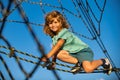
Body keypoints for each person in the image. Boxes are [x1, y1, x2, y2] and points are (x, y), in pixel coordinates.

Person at [41, 10, 112, 74]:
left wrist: (47, 56)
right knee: (58, 54)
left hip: (83, 51)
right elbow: (55, 50)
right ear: (48, 25)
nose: (53, 25)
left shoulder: (64, 31)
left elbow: (59, 45)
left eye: (55, 22)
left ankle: (104, 61)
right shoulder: (54, 37)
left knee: (88, 69)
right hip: (72, 54)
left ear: (61, 23)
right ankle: (80, 64)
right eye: (50, 23)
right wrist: (53, 63)